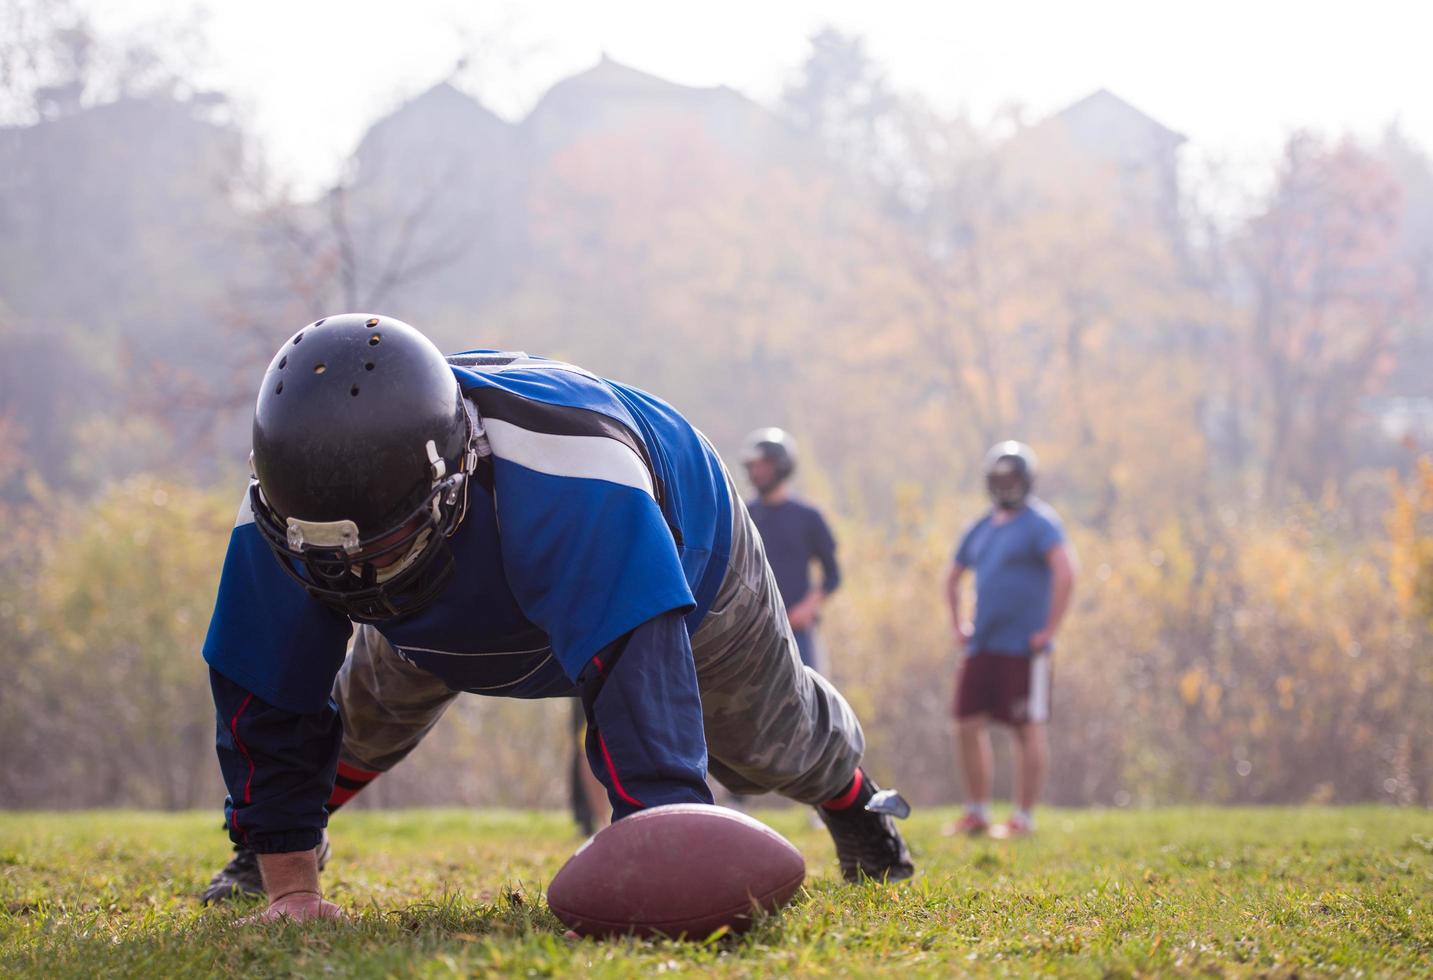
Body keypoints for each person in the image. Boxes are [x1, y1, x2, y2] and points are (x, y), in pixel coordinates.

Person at [200, 315, 912, 920]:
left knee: (761, 738)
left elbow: (641, 691)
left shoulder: (573, 478)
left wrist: (658, 846)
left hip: (681, 546)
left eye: (377, 546)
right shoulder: (287, 505)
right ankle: (265, 851)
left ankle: (857, 805)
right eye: (329, 556)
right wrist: (287, 879)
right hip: (447, 594)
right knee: (361, 714)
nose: (353, 574)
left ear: (452, 483)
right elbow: (264, 689)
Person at [945, 442, 1075, 839]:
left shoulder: (1040, 524)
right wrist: (957, 626)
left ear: (1025, 481)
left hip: (1025, 649)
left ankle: (1022, 818)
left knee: (1027, 728)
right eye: (998, 479)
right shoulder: (981, 527)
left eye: (1012, 478)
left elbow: (1066, 573)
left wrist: (1049, 631)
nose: (1005, 486)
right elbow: (952, 578)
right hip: (982, 644)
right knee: (967, 724)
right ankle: (977, 813)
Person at [741, 429, 841, 673]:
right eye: (754, 466)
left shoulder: (808, 517)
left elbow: (833, 575)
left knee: (806, 706)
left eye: (765, 465)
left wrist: (808, 608)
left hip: (798, 634)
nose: (758, 472)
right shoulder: (743, 516)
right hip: (751, 634)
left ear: (782, 466)